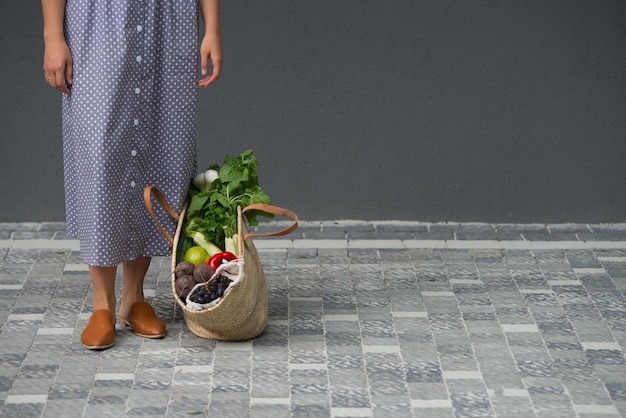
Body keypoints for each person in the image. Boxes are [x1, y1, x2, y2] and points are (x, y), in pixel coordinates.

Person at [41, 0, 222, 350]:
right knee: (101, 160)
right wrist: (52, 37)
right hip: (96, 23)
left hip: (169, 21)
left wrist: (211, 28)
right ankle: (102, 304)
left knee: (161, 152)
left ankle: (133, 298)